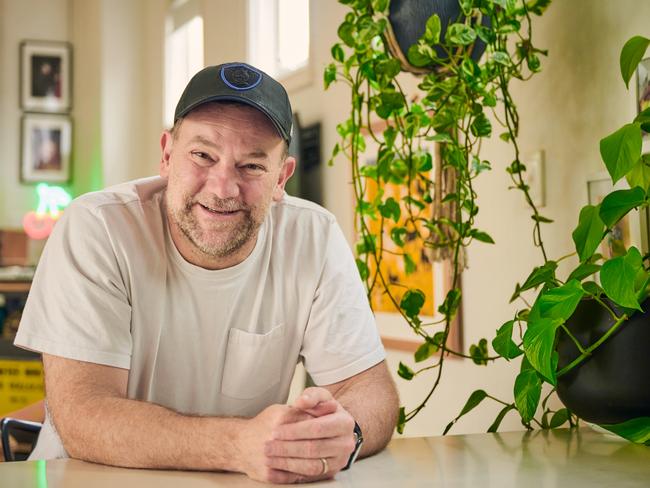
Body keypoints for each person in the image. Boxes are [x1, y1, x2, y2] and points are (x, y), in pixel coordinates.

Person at [14, 62, 399, 483]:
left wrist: (343, 434)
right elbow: (83, 415)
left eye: (252, 166)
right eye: (203, 155)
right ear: (166, 154)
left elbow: (370, 390)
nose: (222, 188)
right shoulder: (98, 226)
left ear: (281, 178)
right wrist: (237, 444)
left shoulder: (315, 236)